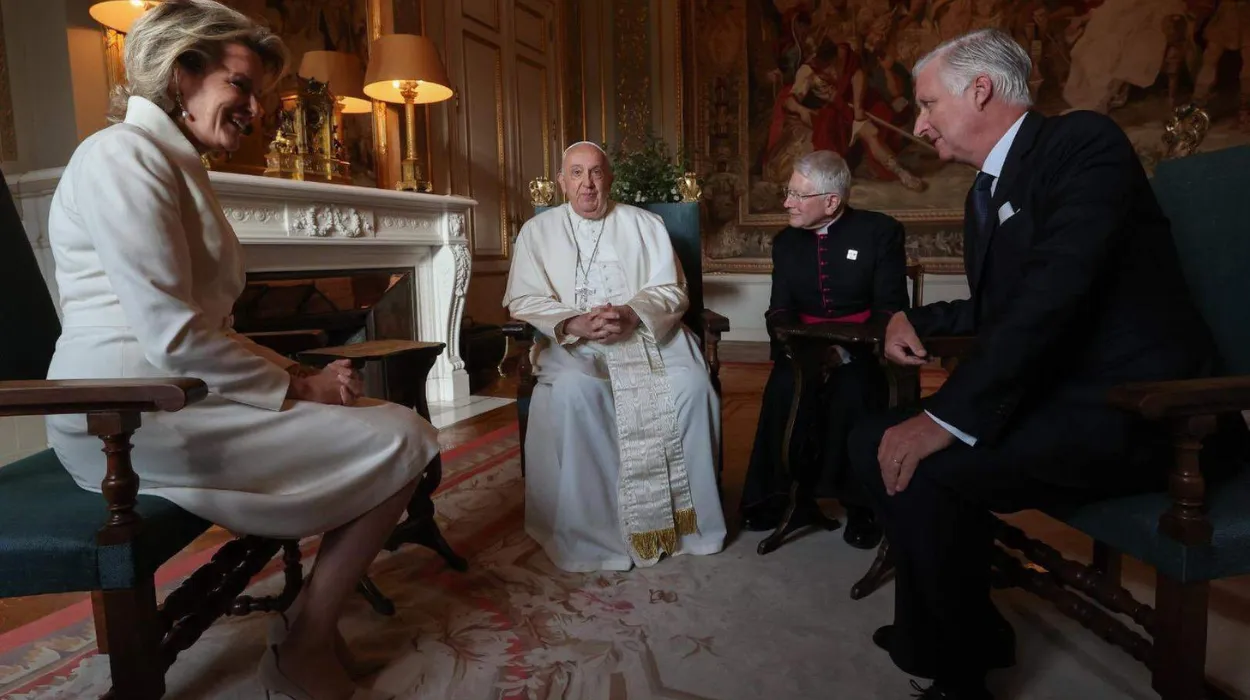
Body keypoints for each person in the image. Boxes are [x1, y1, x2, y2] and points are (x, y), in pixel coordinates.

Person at [43, 2, 431, 698]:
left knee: (389, 426)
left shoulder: (173, 161)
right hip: (123, 415)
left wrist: (297, 370)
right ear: (182, 74)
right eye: (241, 86)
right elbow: (173, 333)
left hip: (175, 392)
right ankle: (305, 640)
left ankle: (308, 624)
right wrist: (300, 389)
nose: (256, 109)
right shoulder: (120, 156)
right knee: (405, 437)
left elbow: (204, 327)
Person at [848, 28, 1212, 699]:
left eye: (927, 103)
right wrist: (916, 320)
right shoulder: (985, 190)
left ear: (980, 90)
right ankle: (957, 631)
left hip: (1137, 411)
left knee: (929, 464)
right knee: (870, 436)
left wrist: (944, 419)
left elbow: (1054, 295)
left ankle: (962, 674)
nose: (918, 124)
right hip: (1057, 397)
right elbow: (1003, 309)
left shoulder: (1082, 144)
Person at [502, 141, 727, 573]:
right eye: (576, 173)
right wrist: (573, 322)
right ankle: (597, 534)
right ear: (562, 181)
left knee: (692, 386)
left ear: (610, 178)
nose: (587, 184)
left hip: (647, 337)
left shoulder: (645, 224)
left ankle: (686, 527)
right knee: (576, 392)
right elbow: (524, 298)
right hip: (575, 343)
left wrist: (632, 313)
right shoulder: (537, 232)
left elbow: (672, 290)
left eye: (596, 172)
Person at [739, 149, 908, 551]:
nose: (786, 203)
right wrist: (802, 349)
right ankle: (782, 496)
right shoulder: (785, 242)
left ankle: (862, 505)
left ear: (831, 201)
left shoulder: (880, 231)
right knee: (784, 389)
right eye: (788, 192)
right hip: (804, 349)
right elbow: (779, 308)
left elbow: (890, 306)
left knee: (854, 392)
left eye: (797, 195)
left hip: (864, 350)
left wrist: (847, 350)